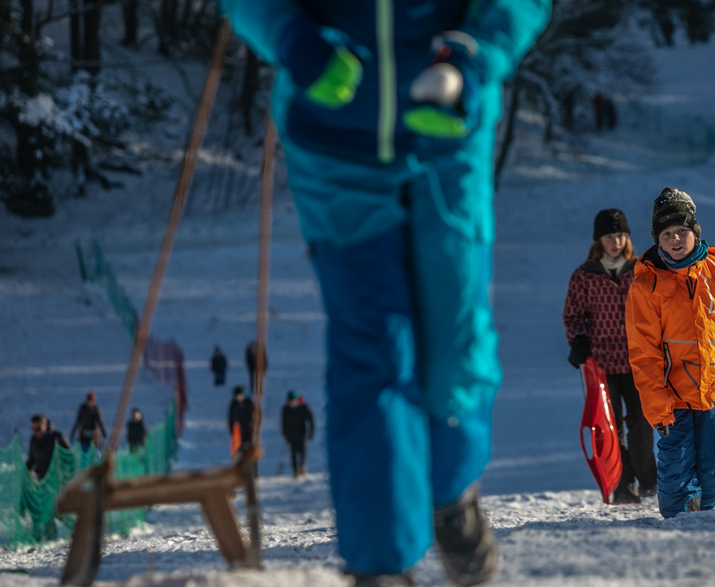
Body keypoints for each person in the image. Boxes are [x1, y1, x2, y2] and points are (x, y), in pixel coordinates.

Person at [220, 2, 549, 585]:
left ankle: (451, 494)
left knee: (453, 343)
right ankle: (379, 565)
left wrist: (473, 56)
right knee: (374, 350)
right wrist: (292, 37)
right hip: (333, 142)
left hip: (446, 134)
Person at [625, 188, 715, 519]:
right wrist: (657, 406)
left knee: (714, 465)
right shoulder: (646, 286)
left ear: (695, 232)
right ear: (658, 241)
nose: (675, 239)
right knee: (677, 471)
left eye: (681, 230)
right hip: (673, 399)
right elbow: (644, 354)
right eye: (666, 234)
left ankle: (703, 524)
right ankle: (681, 530)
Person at [562, 209, 656, 504]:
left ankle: (648, 480)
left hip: (637, 361)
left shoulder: (641, 271)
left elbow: (656, 310)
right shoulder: (584, 275)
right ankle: (623, 485)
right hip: (601, 364)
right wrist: (579, 341)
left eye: (620, 236)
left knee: (641, 422)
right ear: (598, 240)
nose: (615, 242)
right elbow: (572, 316)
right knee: (610, 426)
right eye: (609, 237)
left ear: (627, 237)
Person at [281, 391, 316, 478]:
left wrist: (311, 432)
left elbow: (311, 420)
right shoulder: (286, 410)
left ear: (297, 400)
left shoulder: (303, 408)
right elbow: (283, 423)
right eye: (289, 401)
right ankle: (295, 471)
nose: (291, 403)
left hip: (302, 434)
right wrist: (285, 434)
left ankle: (302, 466)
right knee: (293, 453)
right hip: (291, 435)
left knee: (302, 451)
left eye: (293, 401)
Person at [27, 414, 70, 481]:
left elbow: (70, 456)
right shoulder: (34, 440)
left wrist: (64, 473)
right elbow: (32, 459)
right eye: (33, 429)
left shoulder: (58, 437)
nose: (35, 431)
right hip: (42, 478)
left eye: (38, 428)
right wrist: (25, 471)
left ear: (46, 425)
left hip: (58, 477)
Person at [228, 386, 255, 456]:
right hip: (238, 432)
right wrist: (233, 431)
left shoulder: (249, 403)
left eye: (240, 395)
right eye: (237, 396)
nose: (239, 397)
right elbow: (230, 419)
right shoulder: (234, 405)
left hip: (249, 430)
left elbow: (254, 417)